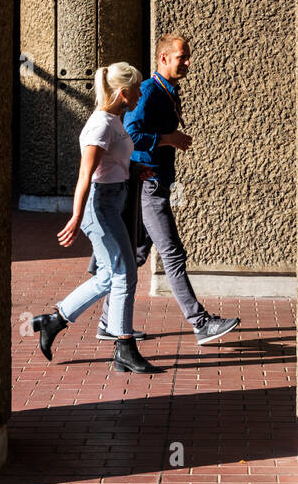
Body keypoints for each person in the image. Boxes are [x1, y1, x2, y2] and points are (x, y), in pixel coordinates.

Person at [98, 34, 240, 347]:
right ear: (163, 59)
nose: (187, 63)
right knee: (172, 253)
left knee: (134, 256)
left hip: (155, 182)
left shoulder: (168, 91)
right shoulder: (149, 90)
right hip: (149, 184)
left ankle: (109, 321)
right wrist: (168, 139)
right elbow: (130, 133)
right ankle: (201, 324)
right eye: (181, 58)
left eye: (187, 57)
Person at [31, 62, 163, 375]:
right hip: (100, 208)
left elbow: (113, 161)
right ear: (122, 92)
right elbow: (84, 175)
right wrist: (76, 217)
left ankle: (55, 319)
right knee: (125, 274)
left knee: (108, 276)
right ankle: (124, 348)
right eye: (137, 90)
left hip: (112, 202)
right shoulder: (100, 125)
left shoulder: (114, 120)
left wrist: (133, 169)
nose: (140, 94)